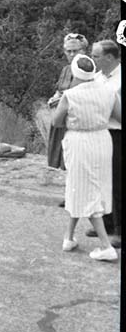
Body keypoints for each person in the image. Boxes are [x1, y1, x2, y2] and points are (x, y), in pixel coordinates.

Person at [53, 53, 120, 261]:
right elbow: (119, 116)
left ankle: (106, 246)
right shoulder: (108, 91)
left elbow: (56, 121)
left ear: (75, 74)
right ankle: (69, 236)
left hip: (79, 141)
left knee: (85, 189)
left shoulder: (71, 95)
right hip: (102, 140)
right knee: (84, 187)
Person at [90, 39, 121, 246]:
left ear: (109, 57)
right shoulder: (97, 77)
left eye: (96, 56)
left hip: (117, 133)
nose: (92, 59)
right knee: (102, 180)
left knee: (118, 182)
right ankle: (107, 224)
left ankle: (120, 230)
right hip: (100, 132)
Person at [45, 32, 88, 169]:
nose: (72, 54)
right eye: (68, 51)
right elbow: (60, 89)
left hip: (77, 116)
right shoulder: (66, 69)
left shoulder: (88, 69)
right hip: (61, 114)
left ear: (83, 51)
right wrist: (54, 98)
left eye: (75, 51)